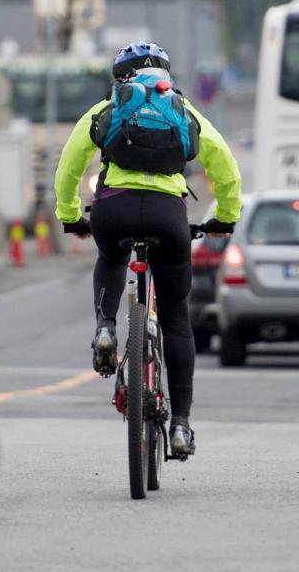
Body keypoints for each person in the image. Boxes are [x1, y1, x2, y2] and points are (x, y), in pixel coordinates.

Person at [54, 42, 242, 455]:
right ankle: (181, 425)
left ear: (120, 75)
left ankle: (106, 327)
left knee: (110, 255)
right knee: (176, 318)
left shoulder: (110, 106)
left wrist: (70, 216)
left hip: (113, 210)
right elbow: (225, 167)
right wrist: (225, 217)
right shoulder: (182, 108)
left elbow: (70, 162)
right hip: (167, 216)